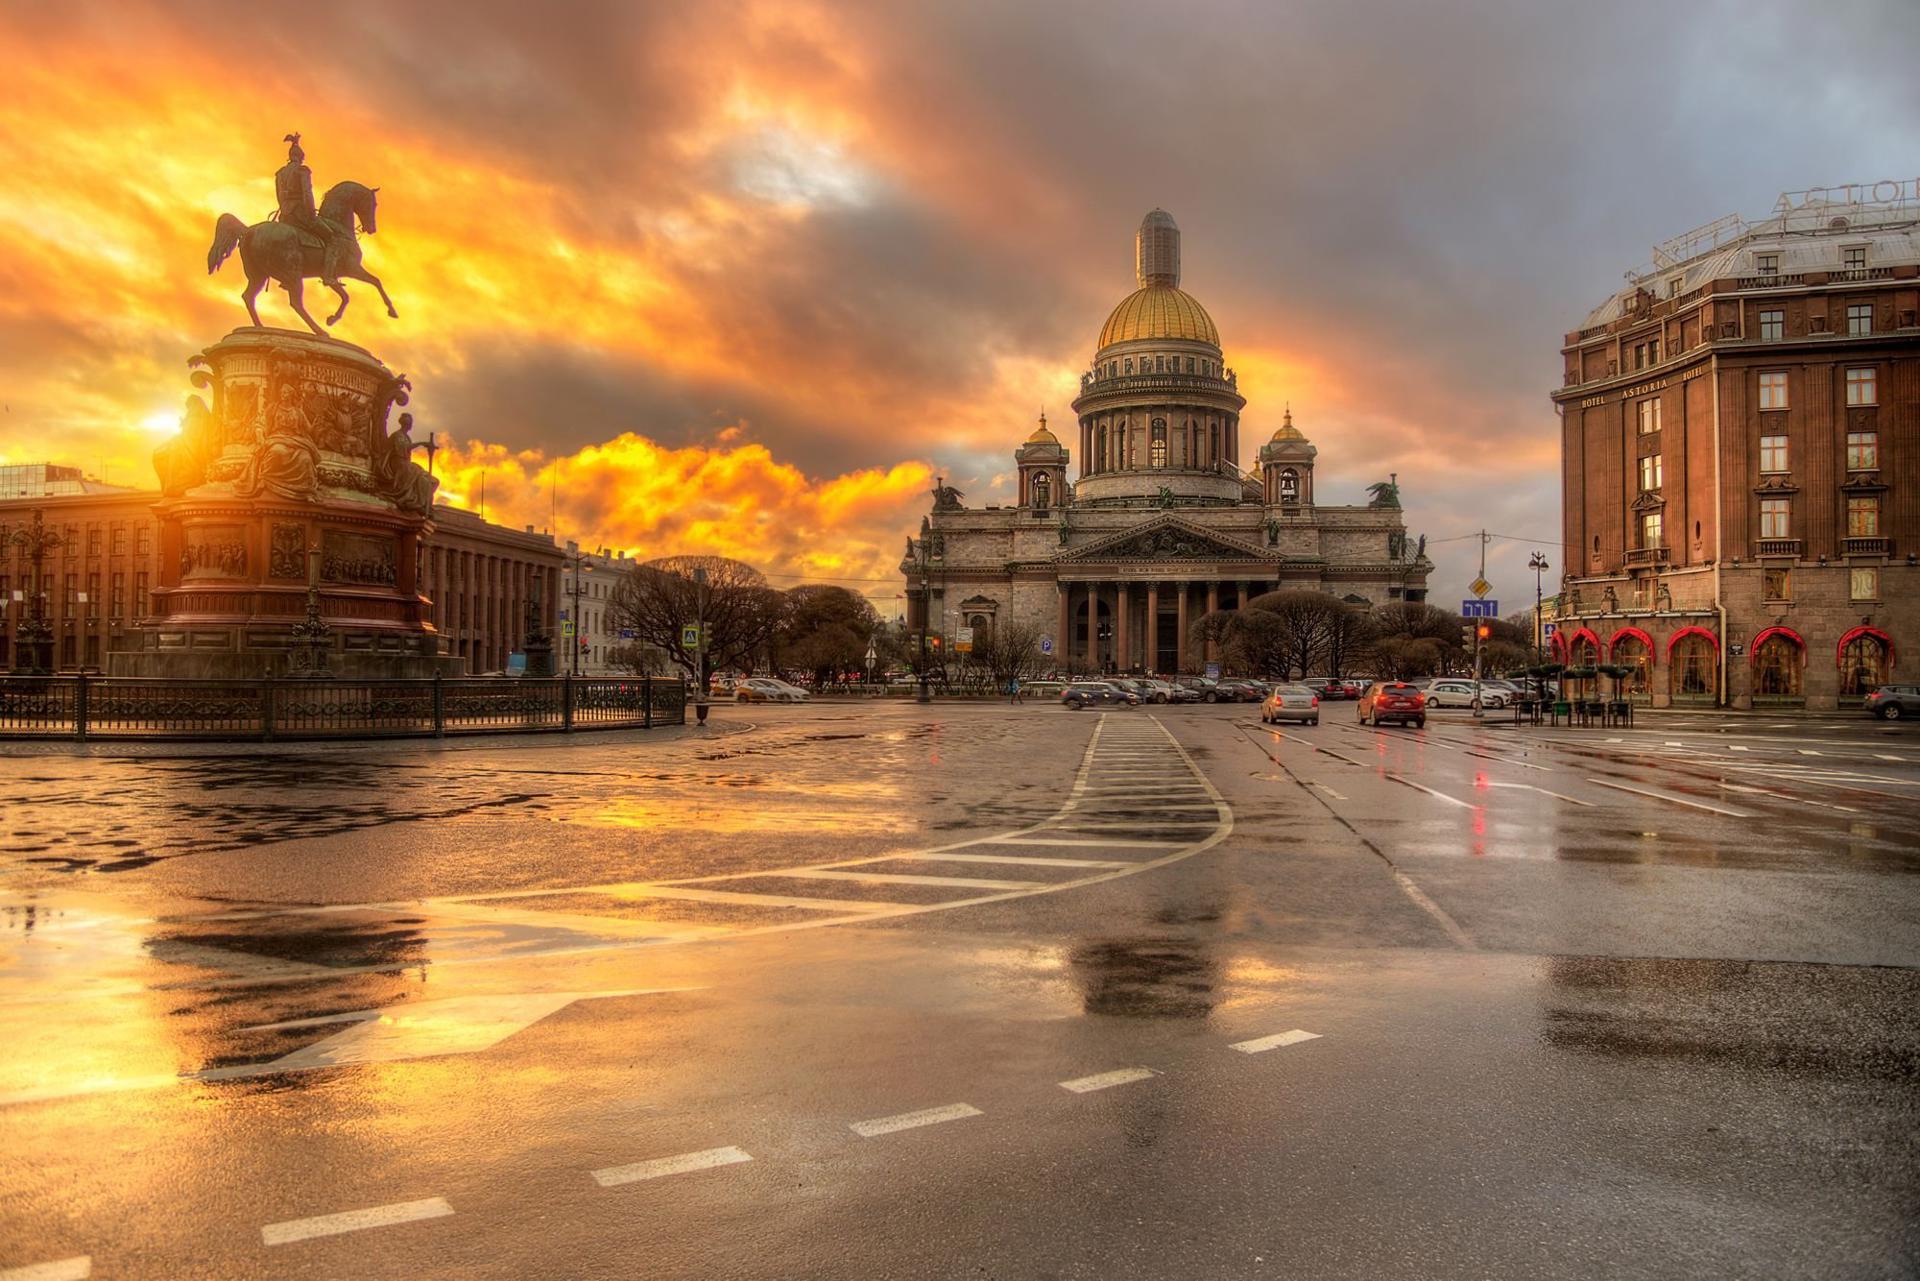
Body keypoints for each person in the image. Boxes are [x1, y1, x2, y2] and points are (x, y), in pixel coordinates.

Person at [275, 132, 347, 288]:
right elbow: (307, 192)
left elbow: (278, 196)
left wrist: (285, 208)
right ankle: (328, 276)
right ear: (300, 157)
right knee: (333, 238)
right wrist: (310, 212)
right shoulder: (302, 171)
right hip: (301, 214)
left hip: (285, 216)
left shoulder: (280, 173)